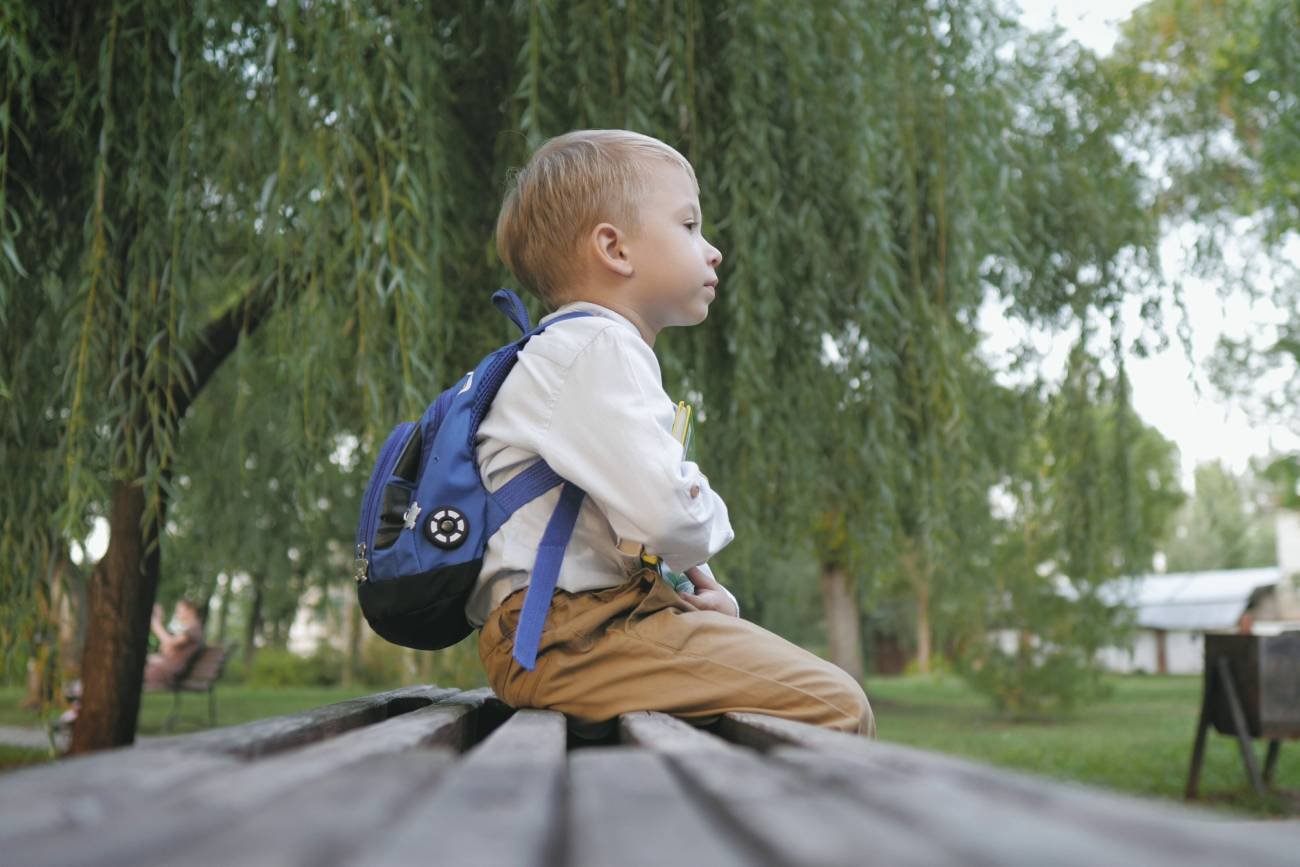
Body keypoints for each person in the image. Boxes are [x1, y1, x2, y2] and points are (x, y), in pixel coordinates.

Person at [471, 129, 874, 736]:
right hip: (566, 638)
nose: (712, 251)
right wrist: (706, 511)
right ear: (614, 249)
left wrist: (710, 596)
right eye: (689, 227)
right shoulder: (595, 349)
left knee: (803, 696)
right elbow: (669, 518)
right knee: (837, 707)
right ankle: (774, 833)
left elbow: (634, 533)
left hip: (582, 627)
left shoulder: (578, 352)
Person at [143, 598, 206, 689]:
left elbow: (169, 642)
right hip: (166, 669)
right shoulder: (191, 630)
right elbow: (167, 647)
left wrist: (155, 623)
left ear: (191, 610)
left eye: (179, 609)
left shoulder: (194, 629)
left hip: (167, 672)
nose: (177, 613)